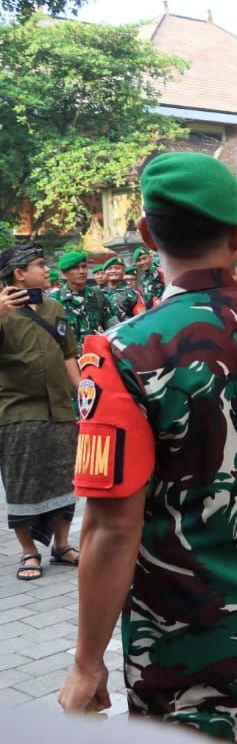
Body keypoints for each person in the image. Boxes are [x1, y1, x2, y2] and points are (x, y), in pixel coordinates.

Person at [56, 152, 237, 744]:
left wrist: (85, 664)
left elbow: (110, 526)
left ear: (149, 233)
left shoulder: (124, 352)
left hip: (181, 630)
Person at [0, 243, 81, 581]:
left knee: (67, 478)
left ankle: (61, 546)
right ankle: (29, 551)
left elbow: (68, 355)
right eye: (38, 264)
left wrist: (87, 396)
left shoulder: (55, 308)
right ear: (19, 274)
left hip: (61, 408)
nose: (46, 269)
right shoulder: (2, 311)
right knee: (23, 483)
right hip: (18, 411)